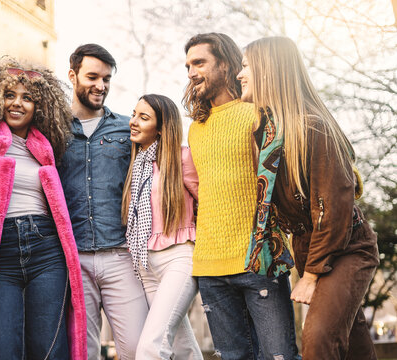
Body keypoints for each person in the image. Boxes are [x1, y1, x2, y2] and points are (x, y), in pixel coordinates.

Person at [237, 36, 379, 360]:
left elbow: (334, 205)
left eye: (246, 66)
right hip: (308, 248)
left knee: (317, 342)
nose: (239, 74)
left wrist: (312, 274)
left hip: (345, 247)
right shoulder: (266, 135)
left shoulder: (313, 129)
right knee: (354, 346)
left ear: (269, 71)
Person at [183, 33, 299, 359]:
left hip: (258, 259)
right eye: (188, 64)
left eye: (199, 62)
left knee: (280, 357)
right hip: (208, 266)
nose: (191, 71)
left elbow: (286, 183)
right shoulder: (195, 127)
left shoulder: (259, 114)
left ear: (226, 64)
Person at [0, 60, 87, 359]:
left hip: (46, 252)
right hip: (0, 253)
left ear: (39, 107)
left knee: (49, 349)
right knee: (0, 348)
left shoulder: (46, 148)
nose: (17, 104)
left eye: (27, 98)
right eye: (9, 95)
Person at [57, 44, 148, 359]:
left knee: (137, 348)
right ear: (73, 75)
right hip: (72, 259)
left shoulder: (127, 127)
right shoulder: (52, 128)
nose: (101, 86)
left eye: (107, 79)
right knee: (82, 351)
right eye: (93, 77)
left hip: (120, 255)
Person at [121, 94, 202, 359]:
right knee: (182, 347)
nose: (133, 122)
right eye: (134, 114)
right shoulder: (137, 164)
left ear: (161, 127)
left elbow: (208, 203)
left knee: (150, 348)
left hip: (178, 258)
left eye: (143, 118)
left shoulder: (182, 159)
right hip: (145, 266)